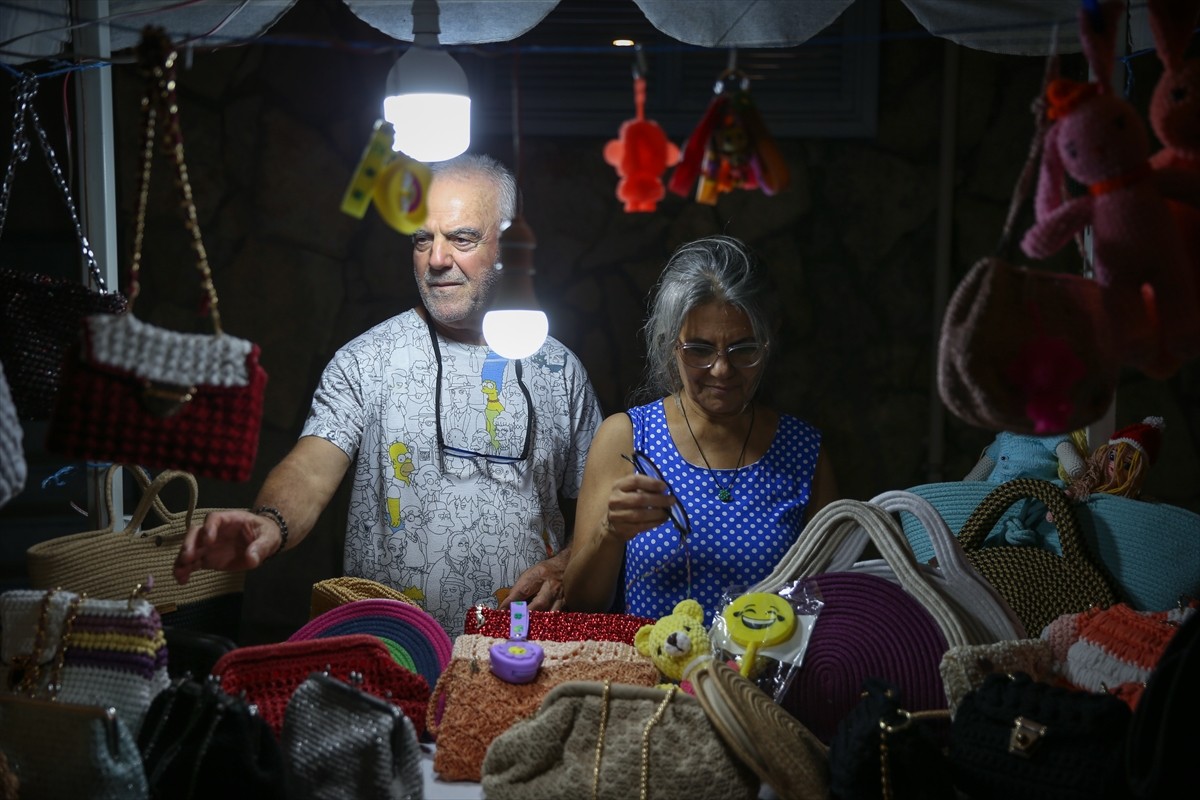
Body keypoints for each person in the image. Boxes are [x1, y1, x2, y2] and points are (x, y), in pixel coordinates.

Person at [173, 153, 603, 636]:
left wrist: (567, 563)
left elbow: (599, 509)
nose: (437, 259)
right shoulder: (364, 361)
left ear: (512, 244)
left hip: (522, 654)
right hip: (390, 655)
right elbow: (310, 470)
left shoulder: (559, 369)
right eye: (423, 239)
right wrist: (270, 523)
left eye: (461, 238)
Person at [562, 235, 838, 624]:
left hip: (759, 682)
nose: (722, 370)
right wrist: (610, 531)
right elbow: (581, 606)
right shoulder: (627, 438)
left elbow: (829, 603)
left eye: (744, 349)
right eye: (700, 349)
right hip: (648, 681)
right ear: (669, 344)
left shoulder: (804, 453)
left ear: (768, 342)